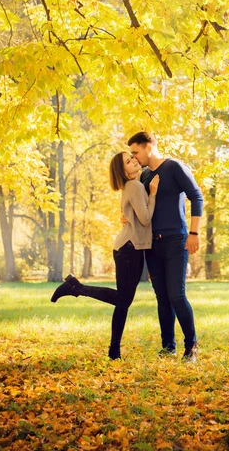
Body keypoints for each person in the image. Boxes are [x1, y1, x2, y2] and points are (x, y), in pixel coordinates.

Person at [50, 152, 159, 360]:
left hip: (128, 247)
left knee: (123, 301)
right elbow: (145, 219)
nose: (135, 161)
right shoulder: (135, 186)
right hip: (129, 248)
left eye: (133, 157)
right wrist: (153, 193)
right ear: (124, 172)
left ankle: (114, 352)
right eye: (129, 161)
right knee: (123, 299)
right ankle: (76, 287)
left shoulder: (133, 185)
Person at [127, 132, 203, 362]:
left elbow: (196, 196)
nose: (134, 158)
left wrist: (194, 233)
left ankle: (191, 347)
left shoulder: (174, 167)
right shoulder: (145, 176)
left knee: (177, 296)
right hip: (153, 244)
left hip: (176, 241)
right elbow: (142, 209)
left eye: (135, 152)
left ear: (148, 147)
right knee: (162, 297)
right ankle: (168, 346)